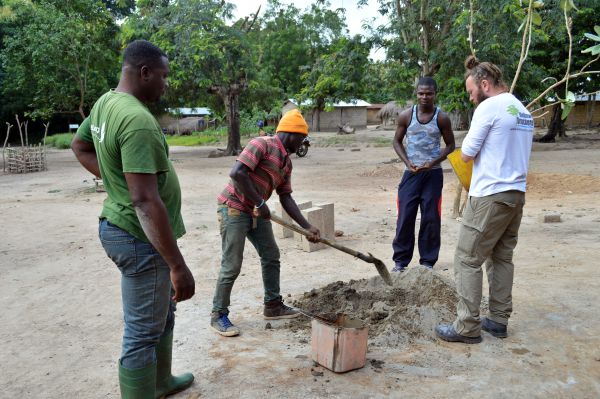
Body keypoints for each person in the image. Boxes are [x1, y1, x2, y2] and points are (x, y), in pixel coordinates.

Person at [71, 40, 196, 397]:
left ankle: (160, 382)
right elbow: (143, 200)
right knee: (142, 332)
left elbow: (80, 146)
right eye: (163, 76)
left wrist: (115, 182)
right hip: (140, 238)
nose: (166, 83)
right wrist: (177, 265)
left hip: (130, 230)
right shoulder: (137, 121)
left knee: (163, 315)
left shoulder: (106, 102)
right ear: (144, 72)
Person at [435, 56, 534, 344]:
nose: (470, 98)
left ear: (485, 84)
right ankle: (499, 320)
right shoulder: (521, 109)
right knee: (501, 257)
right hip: (515, 195)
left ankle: (466, 326)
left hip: (490, 195)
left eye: (471, 92)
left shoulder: (489, 107)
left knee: (467, 258)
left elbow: (466, 153)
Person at [210, 109, 321, 337]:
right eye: (303, 138)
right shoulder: (262, 144)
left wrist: (306, 226)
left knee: (271, 255)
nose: (303, 142)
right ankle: (218, 314)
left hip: (255, 211)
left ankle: (273, 305)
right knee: (232, 264)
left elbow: (285, 197)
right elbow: (237, 173)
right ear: (292, 134)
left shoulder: (286, 164)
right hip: (234, 208)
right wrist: (260, 202)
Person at [391, 77, 455, 272]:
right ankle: (400, 262)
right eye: (421, 93)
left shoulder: (441, 117)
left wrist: (433, 162)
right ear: (416, 94)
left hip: (433, 176)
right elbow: (396, 142)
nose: (424, 97)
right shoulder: (406, 116)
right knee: (405, 217)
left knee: (431, 218)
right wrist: (407, 162)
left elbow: (451, 145)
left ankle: (427, 262)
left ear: (435, 94)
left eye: (429, 93)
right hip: (410, 175)